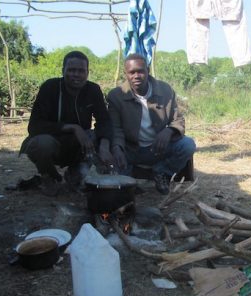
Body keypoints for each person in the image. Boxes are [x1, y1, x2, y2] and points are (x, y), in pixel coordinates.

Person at [20, 50, 114, 195]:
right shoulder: (50, 87)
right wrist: (72, 127)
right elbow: (34, 126)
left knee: (104, 138)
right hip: (53, 141)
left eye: (81, 71)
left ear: (87, 73)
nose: (76, 74)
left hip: (79, 145)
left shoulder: (93, 89)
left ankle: (75, 176)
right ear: (63, 71)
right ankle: (49, 177)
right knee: (42, 144)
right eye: (71, 70)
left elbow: (104, 120)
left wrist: (105, 146)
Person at [107, 53, 196, 195]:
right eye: (132, 72)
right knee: (107, 153)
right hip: (131, 149)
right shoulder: (116, 96)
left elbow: (178, 119)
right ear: (126, 74)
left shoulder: (165, 90)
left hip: (158, 148)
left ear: (147, 70)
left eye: (140, 71)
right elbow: (115, 128)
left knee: (188, 145)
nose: (136, 76)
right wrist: (117, 148)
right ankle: (127, 178)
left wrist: (169, 131)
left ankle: (162, 172)